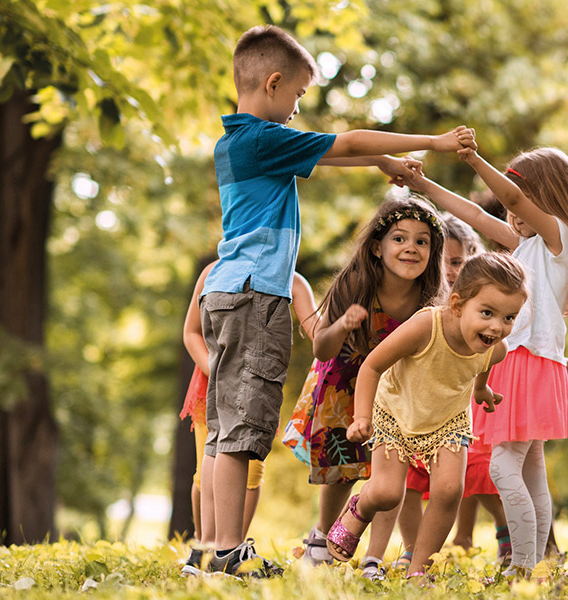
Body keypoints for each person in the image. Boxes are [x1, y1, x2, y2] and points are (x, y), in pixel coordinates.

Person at [197, 24, 469, 577]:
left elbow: (334, 155)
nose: (298, 109)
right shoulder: (261, 138)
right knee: (246, 430)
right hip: (255, 296)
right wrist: (431, 144)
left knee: (228, 429)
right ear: (272, 83)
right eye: (296, 96)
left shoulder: (238, 143)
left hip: (227, 292)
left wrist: (380, 165)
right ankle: (225, 552)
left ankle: (216, 549)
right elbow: (345, 142)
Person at [400, 141, 568, 576]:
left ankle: (522, 564)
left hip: (528, 362)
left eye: (521, 200)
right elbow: (475, 216)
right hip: (522, 363)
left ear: (547, 198)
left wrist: (472, 159)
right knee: (531, 472)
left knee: (503, 464)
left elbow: (510, 198)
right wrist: (421, 184)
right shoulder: (527, 244)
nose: (511, 212)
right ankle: (535, 562)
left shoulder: (559, 239)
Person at [325, 253, 529, 581]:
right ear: (458, 304)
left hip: (449, 420)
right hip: (396, 412)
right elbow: (372, 366)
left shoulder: (496, 347)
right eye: (487, 313)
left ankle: (419, 569)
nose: (496, 327)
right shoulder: (426, 325)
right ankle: (359, 507)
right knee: (388, 492)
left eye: (509, 317)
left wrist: (480, 390)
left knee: (449, 490)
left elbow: (485, 364)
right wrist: (361, 417)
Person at [280, 195, 446, 576]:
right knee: (343, 468)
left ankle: (373, 555)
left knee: (389, 475)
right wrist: (341, 325)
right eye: (400, 238)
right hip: (345, 382)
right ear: (377, 246)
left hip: (396, 390)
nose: (411, 248)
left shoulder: (430, 298)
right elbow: (322, 347)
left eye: (422, 241)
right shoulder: (356, 283)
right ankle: (321, 538)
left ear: (433, 251)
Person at [179, 261, 318, 577]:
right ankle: (203, 547)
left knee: (250, 469)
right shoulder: (213, 272)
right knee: (206, 471)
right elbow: (191, 333)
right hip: (211, 388)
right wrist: (217, 373)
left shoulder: (291, 280)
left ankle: (230, 549)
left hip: (254, 389)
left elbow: (317, 329)